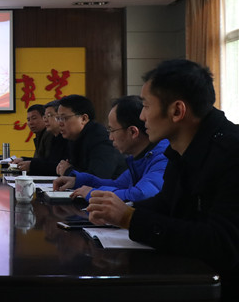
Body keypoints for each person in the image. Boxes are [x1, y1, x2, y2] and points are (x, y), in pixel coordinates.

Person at [86, 59, 239, 300]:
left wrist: (129, 218)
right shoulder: (180, 148)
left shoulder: (231, 152)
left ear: (177, 111)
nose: (142, 116)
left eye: (146, 106)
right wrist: (117, 212)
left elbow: (222, 243)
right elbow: (167, 204)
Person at [54, 95, 168, 203]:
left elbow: (141, 195)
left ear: (133, 132)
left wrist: (92, 193)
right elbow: (118, 185)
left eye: (112, 130)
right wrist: (77, 181)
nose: (110, 137)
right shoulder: (142, 158)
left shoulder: (163, 156)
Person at [56, 94, 126, 179]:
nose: (60, 123)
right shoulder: (74, 138)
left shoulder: (99, 138)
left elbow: (99, 176)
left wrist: (68, 171)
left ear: (84, 119)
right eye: (58, 118)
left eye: (64, 118)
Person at [13, 101, 69, 175]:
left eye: (49, 116)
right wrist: (24, 160)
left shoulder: (54, 136)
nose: (45, 120)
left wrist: (31, 165)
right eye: (28, 120)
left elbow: (55, 166)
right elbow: (46, 161)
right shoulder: (54, 136)